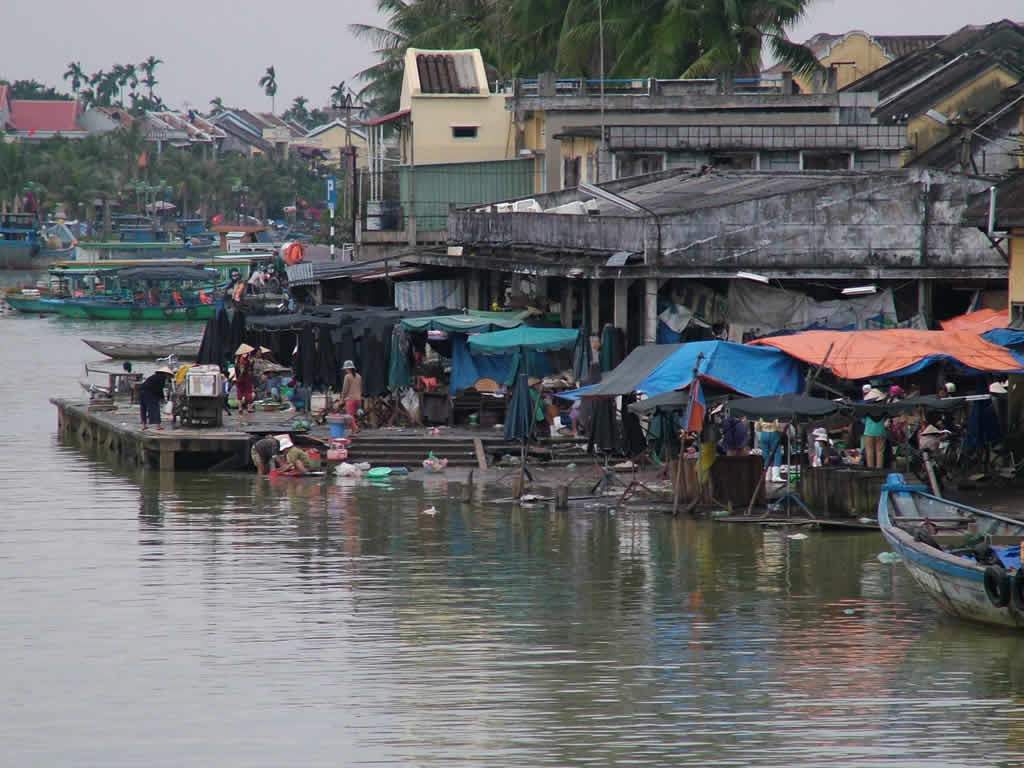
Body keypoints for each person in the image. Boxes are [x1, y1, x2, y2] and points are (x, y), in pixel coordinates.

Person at [138, 365, 174, 431]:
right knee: (155, 408)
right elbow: (159, 389)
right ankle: (158, 425)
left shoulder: (154, 376)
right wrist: (162, 398)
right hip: (149, 393)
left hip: (141, 391)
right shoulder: (162, 378)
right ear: (166, 373)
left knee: (143, 408)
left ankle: (144, 425)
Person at [341, 360, 363, 434]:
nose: (345, 370)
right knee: (353, 416)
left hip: (351, 399)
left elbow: (345, 389)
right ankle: (354, 430)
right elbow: (360, 388)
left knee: (349, 416)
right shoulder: (359, 376)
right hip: (358, 399)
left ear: (348, 369)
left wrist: (342, 398)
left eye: (346, 369)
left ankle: (355, 429)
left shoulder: (347, 376)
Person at [234, 343, 255, 414]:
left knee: (239, 391)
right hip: (247, 377)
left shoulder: (236, 360)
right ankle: (249, 407)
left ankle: (240, 407)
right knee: (248, 392)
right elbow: (250, 369)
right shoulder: (249, 359)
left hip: (239, 378)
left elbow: (236, 370)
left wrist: (237, 377)